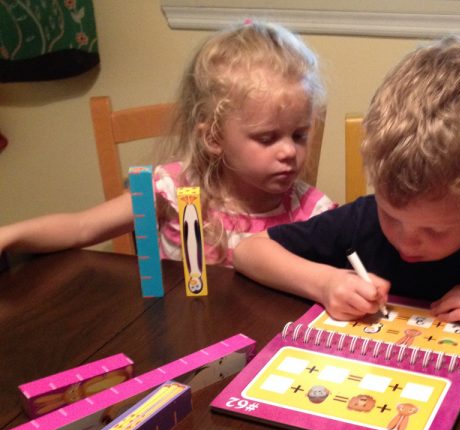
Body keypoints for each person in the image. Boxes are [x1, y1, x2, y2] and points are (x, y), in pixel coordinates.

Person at [233, 36, 460, 341]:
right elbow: (249, 251)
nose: (407, 241)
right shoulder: (361, 222)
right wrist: (325, 283)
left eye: (436, 229)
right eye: (391, 214)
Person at [0, 21, 336, 266]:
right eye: (267, 138)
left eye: (299, 135)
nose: (289, 151)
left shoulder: (311, 211)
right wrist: (9, 236)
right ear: (214, 137)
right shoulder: (173, 190)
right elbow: (81, 227)